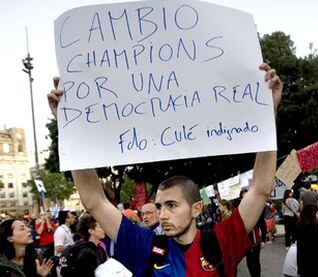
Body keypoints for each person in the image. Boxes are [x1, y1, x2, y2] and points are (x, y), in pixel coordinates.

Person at [47, 63, 282, 276]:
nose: (162, 215)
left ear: (196, 208)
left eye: (172, 205)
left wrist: (267, 113)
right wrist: (68, 127)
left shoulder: (221, 240)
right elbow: (94, 200)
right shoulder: (145, 245)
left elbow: (260, 187)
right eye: (159, 206)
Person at [296, 205, 318, 277]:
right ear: (312, 215)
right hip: (315, 265)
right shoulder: (313, 230)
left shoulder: (300, 227)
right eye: (317, 214)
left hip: (304, 264)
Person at [239, 188, 266, 277]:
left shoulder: (257, 208)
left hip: (255, 239)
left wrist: (263, 240)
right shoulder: (239, 210)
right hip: (245, 240)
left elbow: (262, 224)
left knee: (255, 260)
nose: (244, 199)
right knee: (249, 260)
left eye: (246, 197)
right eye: (242, 198)